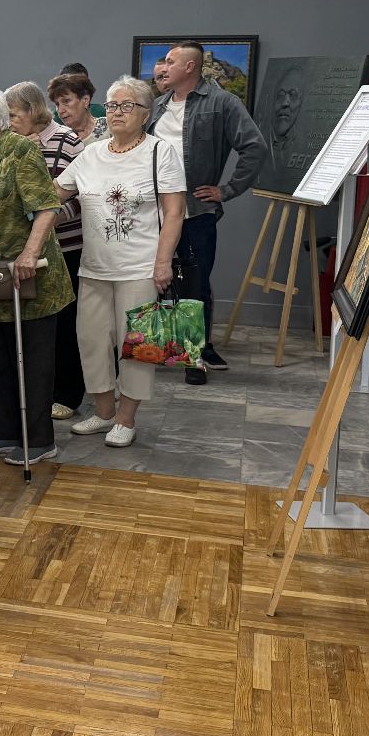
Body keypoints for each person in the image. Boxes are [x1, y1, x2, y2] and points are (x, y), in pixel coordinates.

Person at [56, 79, 186, 446]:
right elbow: (56, 194)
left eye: (126, 106)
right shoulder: (91, 154)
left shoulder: (161, 153)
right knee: (92, 340)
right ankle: (103, 413)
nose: (116, 112)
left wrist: (163, 263)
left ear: (145, 114)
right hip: (94, 266)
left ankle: (126, 419)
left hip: (140, 268)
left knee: (137, 345)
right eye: (112, 105)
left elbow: (174, 213)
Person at [0, 87, 73, 466]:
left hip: (30, 276)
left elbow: (46, 207)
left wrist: (30, 252)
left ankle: (38, 438)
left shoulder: (20, 150)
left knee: (33, 361)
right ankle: (5, 430)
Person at [149, 42, 267, 384]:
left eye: (171, 61)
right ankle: (165, 348)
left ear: (190, 67)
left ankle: (192, 359)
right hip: (154, 212)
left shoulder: (222, 103)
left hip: (196, 211)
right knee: (156, 281)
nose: (163, 67)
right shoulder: (157, 106)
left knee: (193, 285)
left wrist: (226, 190)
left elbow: (254, 147)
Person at [6, 81, 86, 422]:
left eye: (12, 114)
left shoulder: (67, 141)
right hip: (22, 248)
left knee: (64, 324)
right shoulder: (10, 143)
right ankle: (32, 391)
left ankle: (67, 393)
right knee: (30, 323)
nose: (8, 121)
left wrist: (47, 221)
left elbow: (84, 196)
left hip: (65, 248)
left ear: (32, 110)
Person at [48, 69, 107, 145]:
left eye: (66, 101)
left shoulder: (112, 128)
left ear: (85, 100)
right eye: (57, 104)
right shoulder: (56, 140)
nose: (60, 111)